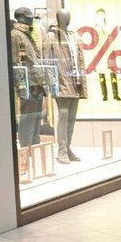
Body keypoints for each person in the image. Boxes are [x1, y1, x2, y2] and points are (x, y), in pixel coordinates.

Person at [44, 9, 85, 164]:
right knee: (63, 115)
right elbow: (47, 61)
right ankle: (61, 150)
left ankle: (67, 148)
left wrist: (82, 81)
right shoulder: (51, 37)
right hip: (61, 82)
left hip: (75, 82)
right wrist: (52, 82)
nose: (67, 18)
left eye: (68, 16)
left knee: (71, 117)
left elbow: (80, 59)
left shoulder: (74, 36)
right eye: (63, 16)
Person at [10, 7, 45, 147]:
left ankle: (34, 147)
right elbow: (16, 64)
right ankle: (26, 148)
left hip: (36, 83)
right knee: (27, 120)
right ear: (22, 18)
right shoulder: (16, 35)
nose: (32, 21)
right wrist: (22, 87)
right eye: (29, 18)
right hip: (29, 84)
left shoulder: (26, 34)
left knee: (36, 118)